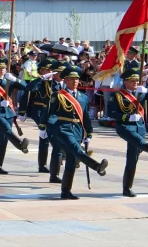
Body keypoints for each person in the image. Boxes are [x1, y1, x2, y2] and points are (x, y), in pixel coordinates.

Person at [39, 66, 108, 199]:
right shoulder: (58, 95)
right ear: (65, 80)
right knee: (77, 150)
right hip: (62, 127)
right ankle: (96, 166)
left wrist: (89, 132)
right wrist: (43, 127)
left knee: (71, 161)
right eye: (71, 79)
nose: (75, 81)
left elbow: (86, 116)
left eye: (76, 79)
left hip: (77, 129)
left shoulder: (83, 97)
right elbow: (48, 111)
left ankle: (66, 191)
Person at [108, 68, 148, 197]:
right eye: (132, 81)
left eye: (137, 80)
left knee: (132, 158)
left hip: (139, 127)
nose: (136, 82)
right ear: (126, 82)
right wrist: (127, 117)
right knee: (139, 142)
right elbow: (111, 113)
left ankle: (127, 188)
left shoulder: (141, 92)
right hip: (125, 127)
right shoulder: (117, 95)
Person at [0, 57, 29, 174]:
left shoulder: (9, 80)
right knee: (6, 129)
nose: (2, 70)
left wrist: (15, 79)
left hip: (8, 112)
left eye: (3, 68)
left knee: (3, 139)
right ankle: (19, 144)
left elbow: (25, 87)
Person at [18, 58, 56, 173]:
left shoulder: (55, 83)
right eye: (47, 70)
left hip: (51, 112)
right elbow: (28, 91)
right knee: (46, 133)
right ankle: (45, 163)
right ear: (41, 70)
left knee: (46, 137)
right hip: (38, 110)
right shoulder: (37, 82)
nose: (50, 72)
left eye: (51, 70)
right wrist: (22, 111)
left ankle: (45, 163)